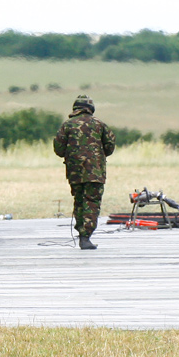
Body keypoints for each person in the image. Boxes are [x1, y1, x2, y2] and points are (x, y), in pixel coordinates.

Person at [53, 94, 116, 251]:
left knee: (79, 200)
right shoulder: (100, 125)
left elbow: (58, 149)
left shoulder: (67, 125)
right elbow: (110, 146)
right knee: (92, 202)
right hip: (95, 172)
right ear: (90, 109)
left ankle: (82, 233)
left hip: (75, 172)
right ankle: (86, 236)